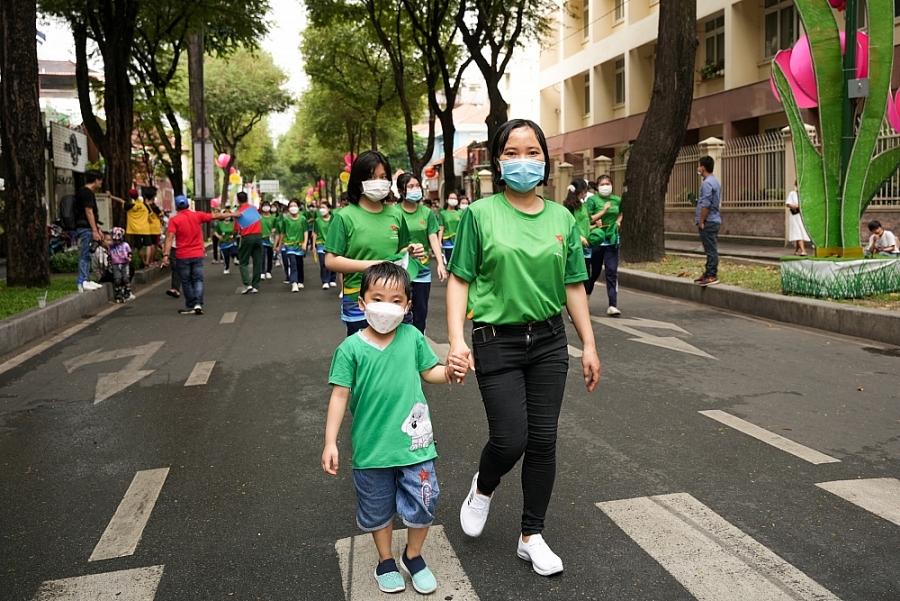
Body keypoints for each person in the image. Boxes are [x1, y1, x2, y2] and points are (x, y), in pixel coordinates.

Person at [445, 118, 601, 577]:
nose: (523, 161)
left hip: (550, 341)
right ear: (498, 161)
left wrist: (588, 344)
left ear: (546, 161)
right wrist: (457, 340)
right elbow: (460, 281)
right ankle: (484, 486)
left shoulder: (562, 218)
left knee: (544, 440)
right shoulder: (480, 214)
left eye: (533, 152)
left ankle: (531, 535)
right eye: (512, 152)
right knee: (510, 438)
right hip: (496, 340)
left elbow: (574, 285)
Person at [322, 262, 449, 595]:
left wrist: (449, 372)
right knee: (377, 509)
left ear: (407, 306)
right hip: (371, 447)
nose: (386, 307)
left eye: (396, 300)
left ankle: (414, 556)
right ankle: (385, 560)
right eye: (377, 298)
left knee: (426, 499)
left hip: (416, 445)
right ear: (361, 303)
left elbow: (430, 372)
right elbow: (339, 395)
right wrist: (330, 442)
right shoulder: (350, 349)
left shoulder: (412, 337)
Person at [324, 150, 425, 336]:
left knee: (398, 357)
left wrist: (410, 250)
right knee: (365, 359)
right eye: (371, 177)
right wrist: (372, 266)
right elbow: (331, 260)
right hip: (359, 301)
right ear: (358, 181)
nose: (379, 181)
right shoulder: (344, 217)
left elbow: (402, 248)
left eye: (383, 176)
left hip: (395, 299)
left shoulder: (396, 215)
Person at [161, 195, 229, 315]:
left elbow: (169, 238)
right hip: (197, 254)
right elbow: (216, 216)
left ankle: (191, 304)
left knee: (186, 281)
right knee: (197, 279)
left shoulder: (175, 220)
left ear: (177, 207)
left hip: (182, 255)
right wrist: (233, 215)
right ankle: (198, 303)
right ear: (188, 204)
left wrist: (166, 255)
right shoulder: (197, 215)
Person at [398, 173, 447, 333]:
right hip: (401, 271)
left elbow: (433, 239)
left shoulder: (426, 213)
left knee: (421, 312)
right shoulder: (394, 212)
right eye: (411, 186)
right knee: (401, 312)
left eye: (417, 186)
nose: (415, 189)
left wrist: (440, 263)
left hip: (423, 271)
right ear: (401, 191)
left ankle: (418, 341)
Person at [585, 174, 623, 316]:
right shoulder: (593, 200)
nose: (605, 186)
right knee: (593, 273)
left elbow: (621, 213)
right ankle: (585, 298)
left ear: (612, 185)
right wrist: (600, 217)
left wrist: (618, 222)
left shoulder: (617, 200)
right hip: (597, 239)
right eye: (602, 184)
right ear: (597, 187)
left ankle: (613, 305)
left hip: (612, 240)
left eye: (608, 183)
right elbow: (587, 219)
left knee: (611, 272)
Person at [74, 170, 106, 292]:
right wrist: (94, 230)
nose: (101, 182)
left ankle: (86, 279)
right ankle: (83, 280)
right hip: (85, 227)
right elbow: (89, 212)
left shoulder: (82, 192)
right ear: (96, 180)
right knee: (85, 254)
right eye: (100, 180)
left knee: (87, 254)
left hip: (87, 227)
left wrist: (97, 229)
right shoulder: (87, 193)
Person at [695, 155, 722, 286]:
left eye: (699, 166)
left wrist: (701, 220)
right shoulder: (715, 181)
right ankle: (708, 272)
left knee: (710, 249)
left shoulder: (706, 184)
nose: (698, 168)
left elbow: (706, 204)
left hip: (709, 220)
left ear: (703, 168)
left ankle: (711, 274)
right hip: (714, 219)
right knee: (710, 247)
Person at [562, 179, 592, 289]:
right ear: (583, 191)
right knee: (575, 279)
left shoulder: (583, 206)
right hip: (575, 247)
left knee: (586, 277)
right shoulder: (568, 208)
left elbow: (586, 224)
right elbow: (567, 226)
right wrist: (579, 237)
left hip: (586, 248)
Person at [274, 199, 309, 292]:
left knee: (299, 263)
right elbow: (282, 233)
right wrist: (279, 245)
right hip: (289, 245)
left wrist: (305, 243)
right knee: (292, 263)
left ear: (298, 207)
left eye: (294, 206)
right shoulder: (285, 220)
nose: (293, 208)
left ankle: (300, 280)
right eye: (291, 206)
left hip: (299, 244)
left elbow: (305, 231)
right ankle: (294, 282)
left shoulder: (303, 219)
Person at [234, 191, 264, 294]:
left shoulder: (239, 212)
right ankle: (256, 285)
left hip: (247, 237)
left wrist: (233, 237)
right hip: (259, 236)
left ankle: (247, 284)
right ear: (247, 198)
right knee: (257, 261)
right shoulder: (253, 209)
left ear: (238, 200)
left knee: (243, 262)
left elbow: (236, 229)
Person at [313, 202, 338, 289]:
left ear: (329, 209)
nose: (321, 210)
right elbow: (315, 233)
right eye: (320, 208)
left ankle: (332, 279)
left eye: (324, 207)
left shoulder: (334, 219)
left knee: (333, 262)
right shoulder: (317, 220)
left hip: (332, 244)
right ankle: (325, 281)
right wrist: (313, 245)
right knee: (323, 263)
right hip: (321, 244)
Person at [108, 227, 133, 303]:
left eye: (118, 240)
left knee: (125, 278)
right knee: (117, 279)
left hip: (124, 263)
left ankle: (127, 291)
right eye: (115, 240)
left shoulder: (125, 245)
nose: (117, 242)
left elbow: (129, 253)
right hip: (116, 264)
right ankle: (118, 292)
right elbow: (109, 256)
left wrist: (129, 258)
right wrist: (110, 264)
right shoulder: (111, 246)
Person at [786, 183, 810, 256]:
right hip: (795, 215)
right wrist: (793, 206)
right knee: (797, 232)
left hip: (802, 216)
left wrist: (800, 206)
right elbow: (788, 204)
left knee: (801, 232)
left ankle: (796, 250)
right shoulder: (792, 194)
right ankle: (803, 251)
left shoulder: (805, 194)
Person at [439, 191, 461, 265]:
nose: (453, 200)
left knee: (458, 263)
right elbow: (441, 228)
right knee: (449, 263)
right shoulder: (443, 213)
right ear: (446, 200)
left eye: (455, 198)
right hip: (447, 242)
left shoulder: (460, 212)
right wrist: (439, 241)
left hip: (458, 240)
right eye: (451, 198)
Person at [143, 186, 163, 267]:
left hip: (147, 227)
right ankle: (152, 261)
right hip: (155, 227)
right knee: (154, 244)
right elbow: (161, 215)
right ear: (153, 196)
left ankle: (148, 261)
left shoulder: (144, 205)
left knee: (149, 244)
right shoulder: (154, 207)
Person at [260, 200, 277, 279]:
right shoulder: (259, 217)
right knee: (262, 255)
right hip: (262, 239)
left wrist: (274, 229)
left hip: (270, 239)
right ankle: (262, 271)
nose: (266, 207)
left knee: (270, 256)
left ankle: (268, 271)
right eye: (264, 205)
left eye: (267, 205)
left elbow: (276, 227)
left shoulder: (273, 218)